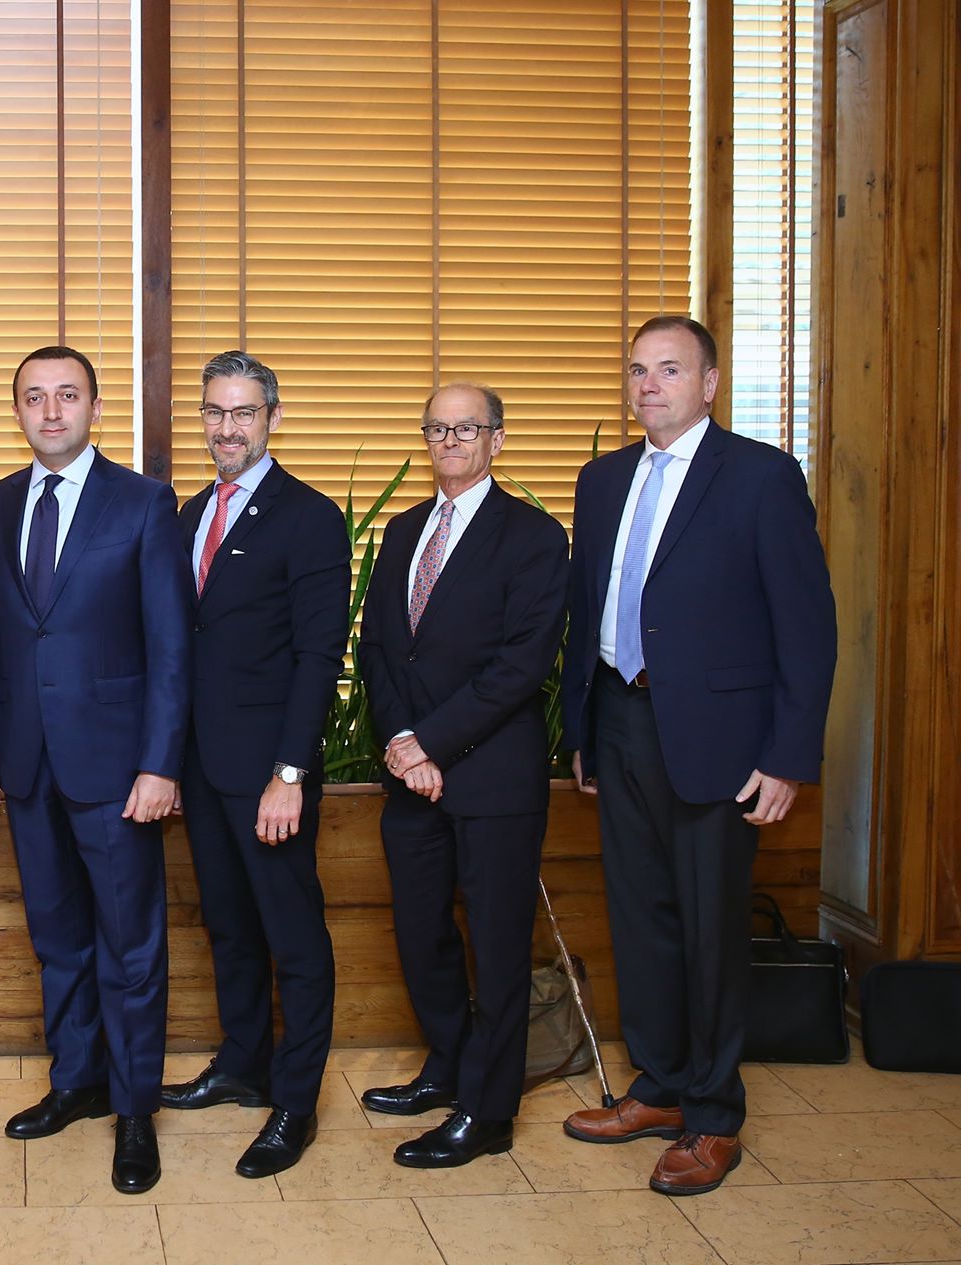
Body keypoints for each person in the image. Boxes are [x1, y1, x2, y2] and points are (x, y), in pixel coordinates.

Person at [560, 317, 836, 1195]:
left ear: (710, 382)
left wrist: (787, 756)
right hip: (620, 723)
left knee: (712, 931)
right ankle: (663, 1085)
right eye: (638, 370)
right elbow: (588, 612)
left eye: (670, 369)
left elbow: (807, 627)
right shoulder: (602, 479)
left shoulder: (759, 476)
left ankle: (714, 1115)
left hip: (720, 741)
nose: (650, 385)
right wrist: (579, 729)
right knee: (640, 920)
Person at [0, 346, 192, 1196]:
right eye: (34, 396)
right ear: (17, 411)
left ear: (95, 407)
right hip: (25, 764)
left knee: (129, 946)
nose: (50, 410)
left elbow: (170, 646)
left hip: (117, 766)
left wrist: (160, 763)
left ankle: (133, 1108)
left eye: (67, 395)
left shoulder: (143, 502)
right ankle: (77, 1080)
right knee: (56, 938)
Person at [355, 383, 569, 1168]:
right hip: (411, 778)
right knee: (423, 935)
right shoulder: (404, 528)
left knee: (499, 948)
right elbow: (379, 647)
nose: (449, 440)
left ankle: (488, 1110)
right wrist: (401, 742)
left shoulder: (535, 536)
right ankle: (446, 1066)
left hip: (492, 779)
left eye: (466, 428)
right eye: (436, 429)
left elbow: (521, 664)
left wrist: (431, 744)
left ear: (496, 439)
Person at [161, 350, 349, 1178]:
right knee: (230, 926)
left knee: (292, 936)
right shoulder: (190, 512)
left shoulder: (308, 517)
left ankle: (295, 1101)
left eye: (242, 412)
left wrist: (290, 774)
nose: (226, 428)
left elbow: (318, 657)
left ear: (272, 416)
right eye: (214, 411)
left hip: (270, 774)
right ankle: (243, 1062)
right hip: (202, 769)